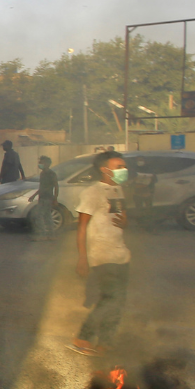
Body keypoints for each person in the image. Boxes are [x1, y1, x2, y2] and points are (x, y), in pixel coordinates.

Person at [71, 151, 131, 356]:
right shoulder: (92, 193)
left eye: (124, 166)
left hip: (121, 255)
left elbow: (120, 218)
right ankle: (83, 338)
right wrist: (82, 258)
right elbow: (82, 227)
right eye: (118, 167)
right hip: (102, 255)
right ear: (104, 170)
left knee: (117, 302)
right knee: (110, 299)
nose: (124, 170)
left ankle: (105, 342)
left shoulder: (118, 190)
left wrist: (124, 222)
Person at [32, 155, 58, 240]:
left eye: (41, 162)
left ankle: (43, 234)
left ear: (47, 163)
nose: (39, 164)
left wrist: (55, 198)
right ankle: (51, 235)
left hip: (47, 197)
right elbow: (41, 187)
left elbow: (56, 186)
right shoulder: (42, 174)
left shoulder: (51, 174)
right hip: (42, 197)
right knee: (47, 216)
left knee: (39, 215)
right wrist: (34, 195)